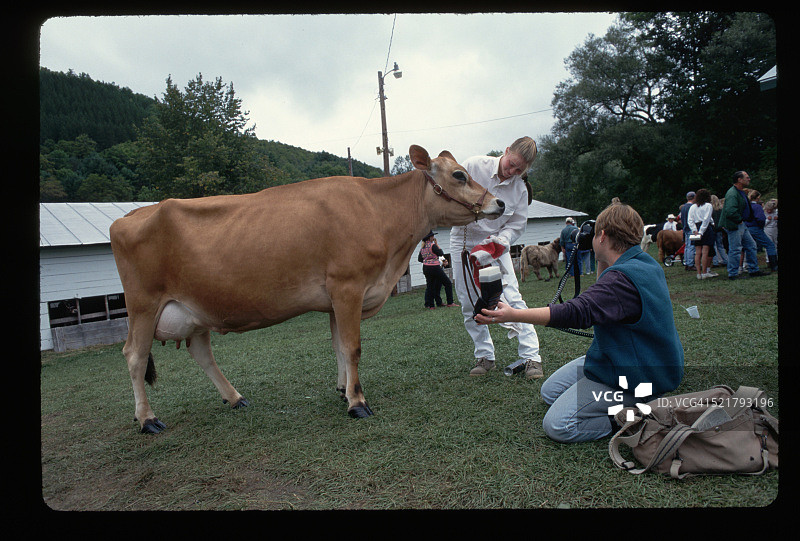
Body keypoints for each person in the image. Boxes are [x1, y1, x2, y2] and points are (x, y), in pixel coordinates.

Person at [475, 202, 684, 443]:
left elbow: (579, 312)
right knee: (549, 392)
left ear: (602, 235)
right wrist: (603, 256)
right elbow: (600, 300)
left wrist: (514, 315)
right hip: (634, 357)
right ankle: (615, 398)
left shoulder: (621, 280)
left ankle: (632, 415)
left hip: (639, 373)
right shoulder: (641, 263)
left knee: (558, 424)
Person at [450, 136, 543, 379]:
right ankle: (484, 356)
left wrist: (499, 243)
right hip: (463, 240)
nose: (512, 171)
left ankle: (532, 357)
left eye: (519, 169)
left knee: (512, 297)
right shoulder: (473, 166)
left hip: (495, 245)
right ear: (506, 150)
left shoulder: (520, 189)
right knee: (468, 301)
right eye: (511, 164)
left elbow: (517, 225)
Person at [718, 171, 770, 280]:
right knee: (735, 249)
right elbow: (730, 211)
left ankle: (753, 270)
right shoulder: (732, 193)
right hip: (735, 225)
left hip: (741, 224)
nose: (749, 179)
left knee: (751, 245)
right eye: (747, 177)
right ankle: (733, 274)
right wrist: (739, 220)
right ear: (739, 180)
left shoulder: (740, 192)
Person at [418, 231, 458, 309]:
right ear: (430, 237)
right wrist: (436, 245)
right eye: (433, 236)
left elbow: (420, 259)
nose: (433, 238)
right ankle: (450, 302)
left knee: (430, 286)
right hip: (435, 267)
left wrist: (427, 260)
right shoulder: (432, 245)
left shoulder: (422, 248)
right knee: (447, 283)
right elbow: (440, 253)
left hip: (426, 268)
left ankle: (431, 305)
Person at [687, 188, 717, 279]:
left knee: (698, 252)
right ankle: (704, 272)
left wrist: (694, 230)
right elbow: (706, 219)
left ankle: (698, 273)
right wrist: (701, 232)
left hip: (696, 227)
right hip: (706, 228)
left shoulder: (693, 206)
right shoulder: (708, 205)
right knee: (705, 252)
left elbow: (690, 220)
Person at [745, 191, 778, 272]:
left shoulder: (746, 206)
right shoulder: (757, 207)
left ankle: (749, 266)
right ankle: (774, 265)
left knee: (750, 247)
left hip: (746, 228)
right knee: (770, 245)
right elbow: (760, 218)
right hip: (756, 227)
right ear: (758, 198)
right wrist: (761, 225)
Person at [679, 191, 696, 271]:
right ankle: (690, 264)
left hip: (685, 228)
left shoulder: (683, 207)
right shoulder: (692, 207)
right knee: (691, 246)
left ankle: (686, 262)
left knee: (687, 246)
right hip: (691, 229)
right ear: (694, 197)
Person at [711, 194, 728, 268]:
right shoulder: (721, 210)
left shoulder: (710, 210)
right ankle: (726, 260)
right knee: (720, 246)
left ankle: (715, 261)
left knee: (713, 246)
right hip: (720, 229)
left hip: (713, 229)